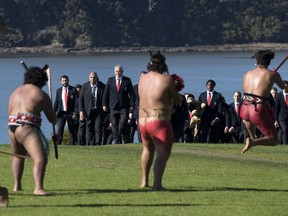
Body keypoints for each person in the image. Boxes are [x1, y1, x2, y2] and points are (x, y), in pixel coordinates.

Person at [8, 66, 57, 195]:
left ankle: (16, 186)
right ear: (42, 80)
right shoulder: (41, 94)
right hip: (27, 127)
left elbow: (9, 112)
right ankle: (38, 188)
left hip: (12, 127)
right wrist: (55, 119)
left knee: (18, 155)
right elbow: (52, 118)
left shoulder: (16, 92)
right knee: (40, 158)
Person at [138, 51, 182, 191]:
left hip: (142, 120)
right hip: (158, 120)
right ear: (163, 65)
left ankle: (144, 181)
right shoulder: (166, 79)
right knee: (163, 154)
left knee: (147, 149)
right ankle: (157, 185)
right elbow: (177, 99)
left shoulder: (143, 78)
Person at [240, 50, 286, 153]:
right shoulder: (273, 74)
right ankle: (253, 142)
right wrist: (275, 76)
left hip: (244, 106)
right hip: (257, 108)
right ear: (269, 62)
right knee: (274, 140)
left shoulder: (247, 74)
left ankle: (251, 138)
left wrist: (273, 76)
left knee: (249, 121)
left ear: (257, 62)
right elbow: (283, 87)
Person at [102, 65, 135, 144]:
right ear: (114, 71)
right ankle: (117, 140)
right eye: (116, 71)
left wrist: (131, 106)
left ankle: (120, 137)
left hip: (124, 107)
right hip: (113, 107)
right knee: (113, 125)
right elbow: (105, 94)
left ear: (122, 71)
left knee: (122, 124)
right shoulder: (110, 80)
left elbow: (132, 95)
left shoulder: (127, 80)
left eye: (119, 71)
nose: (118, 73)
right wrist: (104, 104)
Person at [79, 72, 106, 145]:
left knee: (98, 128)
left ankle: (98, 143)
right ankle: (90, 144)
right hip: (88, 111)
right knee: (89, 128)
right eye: (91, 77)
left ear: (97, 77)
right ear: (89, 78)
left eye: (94, 77)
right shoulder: (85, 86)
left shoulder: (102, 86)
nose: (92, 79)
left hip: (98, 111)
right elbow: (81, 99)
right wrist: (81, 111)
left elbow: (105, 98)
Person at [54, 75, 77, 145]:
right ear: (61, 82)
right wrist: (53, 113)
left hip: (70, 113)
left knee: (71, 129)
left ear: (68, 80)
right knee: (60, 129)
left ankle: (72, 143)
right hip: (61, 113)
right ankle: (58, 143)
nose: (64, 82)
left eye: (65, 80)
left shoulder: (73, 90)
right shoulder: (58, 91)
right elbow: (56, 102)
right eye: (63, 81)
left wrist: (75, 113)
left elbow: (76, 102)